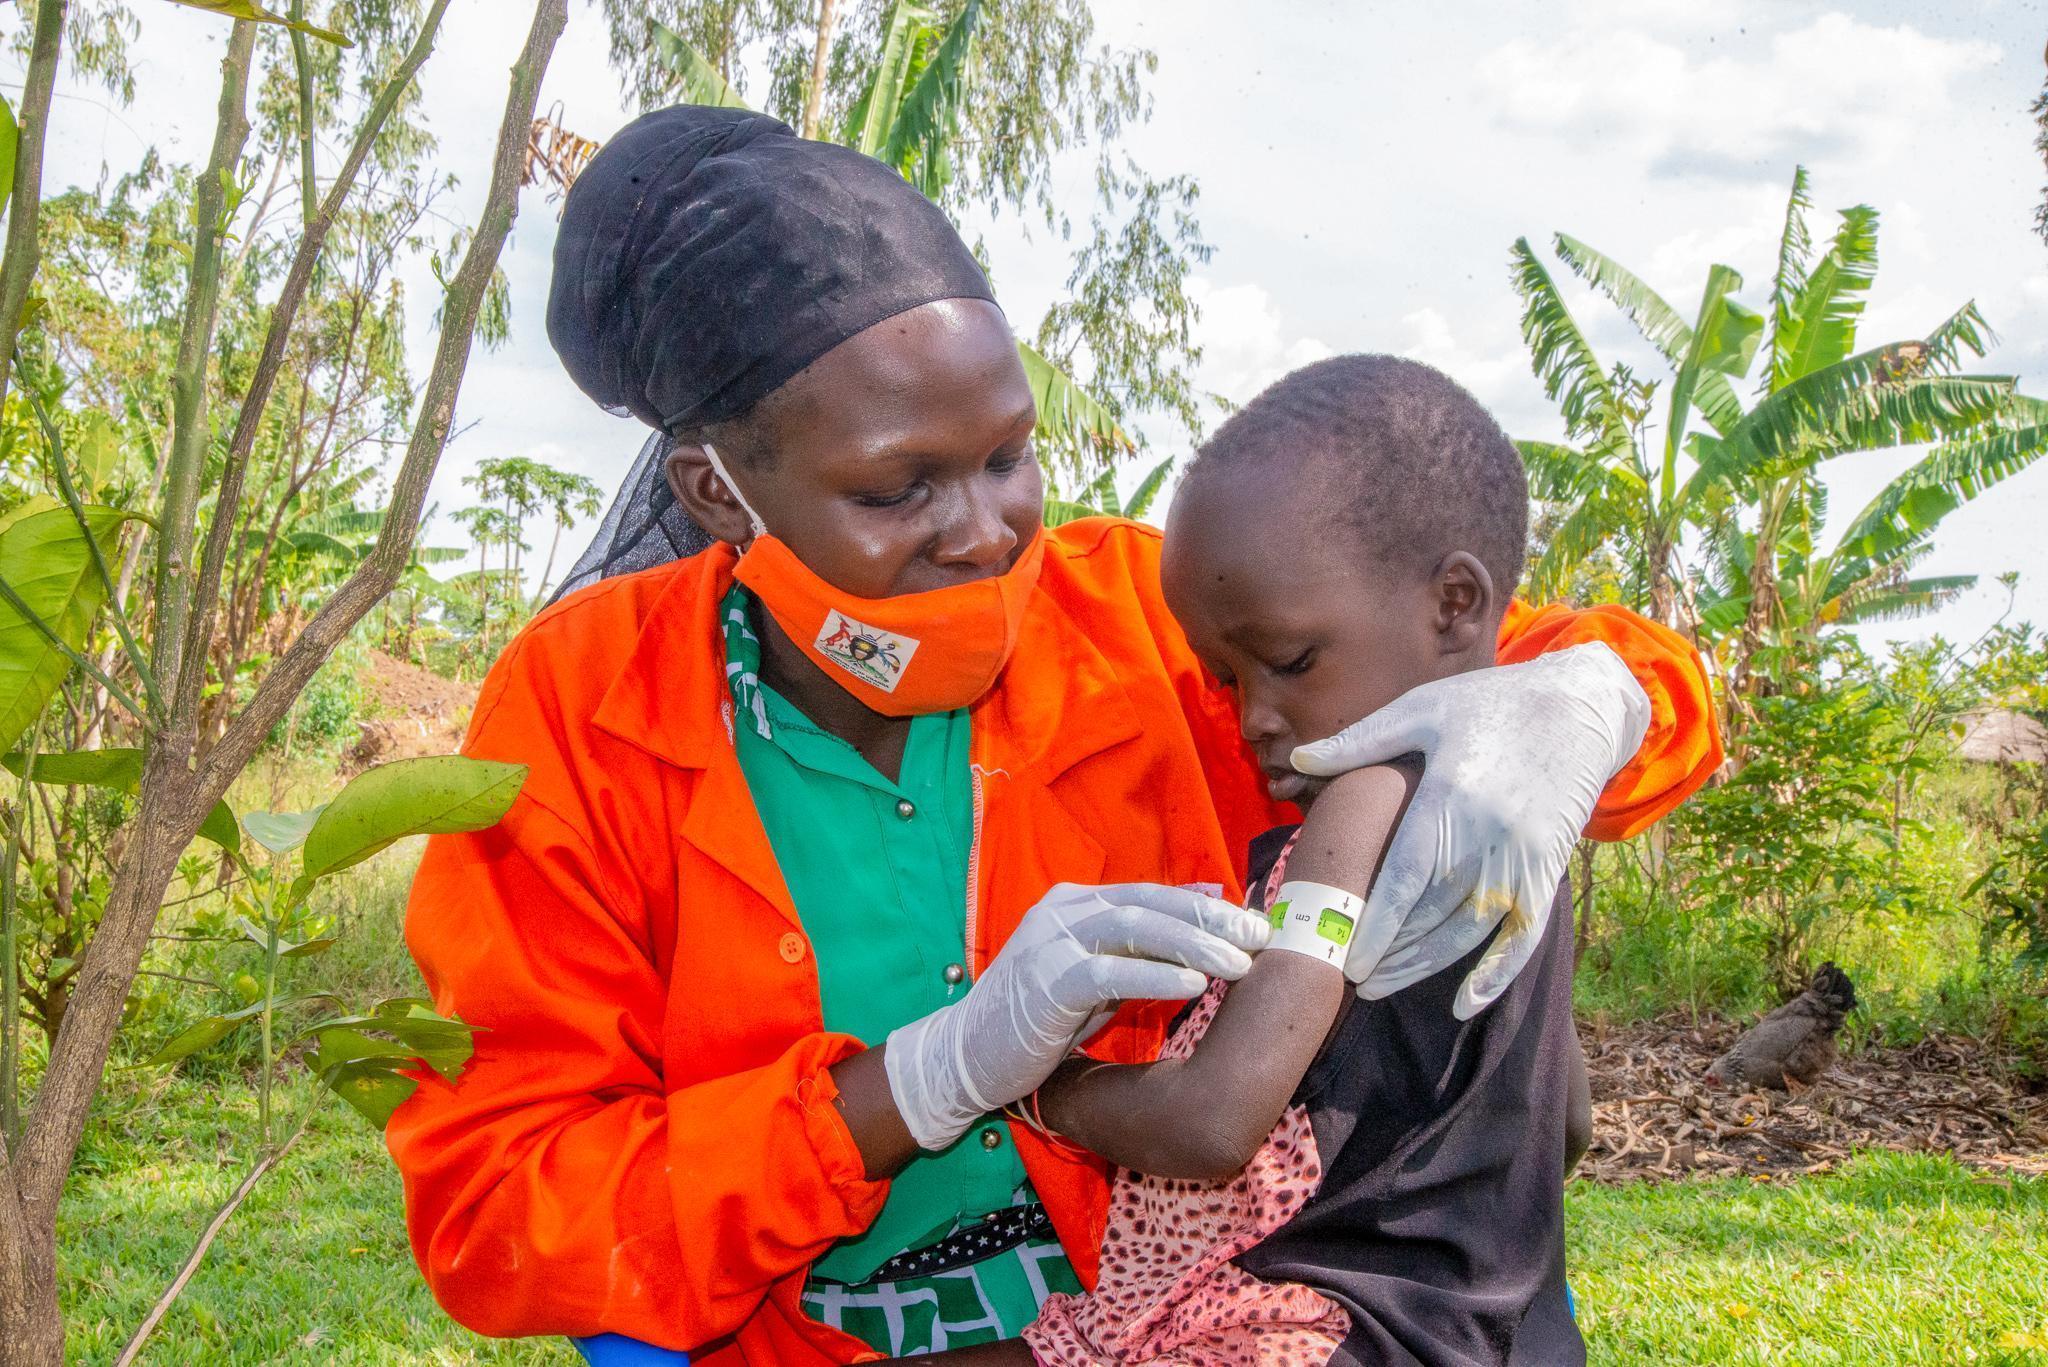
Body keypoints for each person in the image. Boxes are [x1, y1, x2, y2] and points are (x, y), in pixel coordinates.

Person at [388, 105, 1721, 1364]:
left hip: (1144, 1307)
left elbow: (1479, 649)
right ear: (717, 490)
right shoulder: (585, 712)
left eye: (1007, 455)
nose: (983, 531)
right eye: (896, 486)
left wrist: (1600, 701)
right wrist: (921, 1080)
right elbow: (504, 1211)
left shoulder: (1144, 617)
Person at [894, 355, 1593, 1367]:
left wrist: (1034, 1079)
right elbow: (1560, 1120)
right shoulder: (1527, 834)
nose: (1255, 716)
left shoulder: (1361, 802)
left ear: (1452, 601)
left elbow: (1214, 1121)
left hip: (1304, 1331)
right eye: (1225, 677)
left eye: (1290, 660)